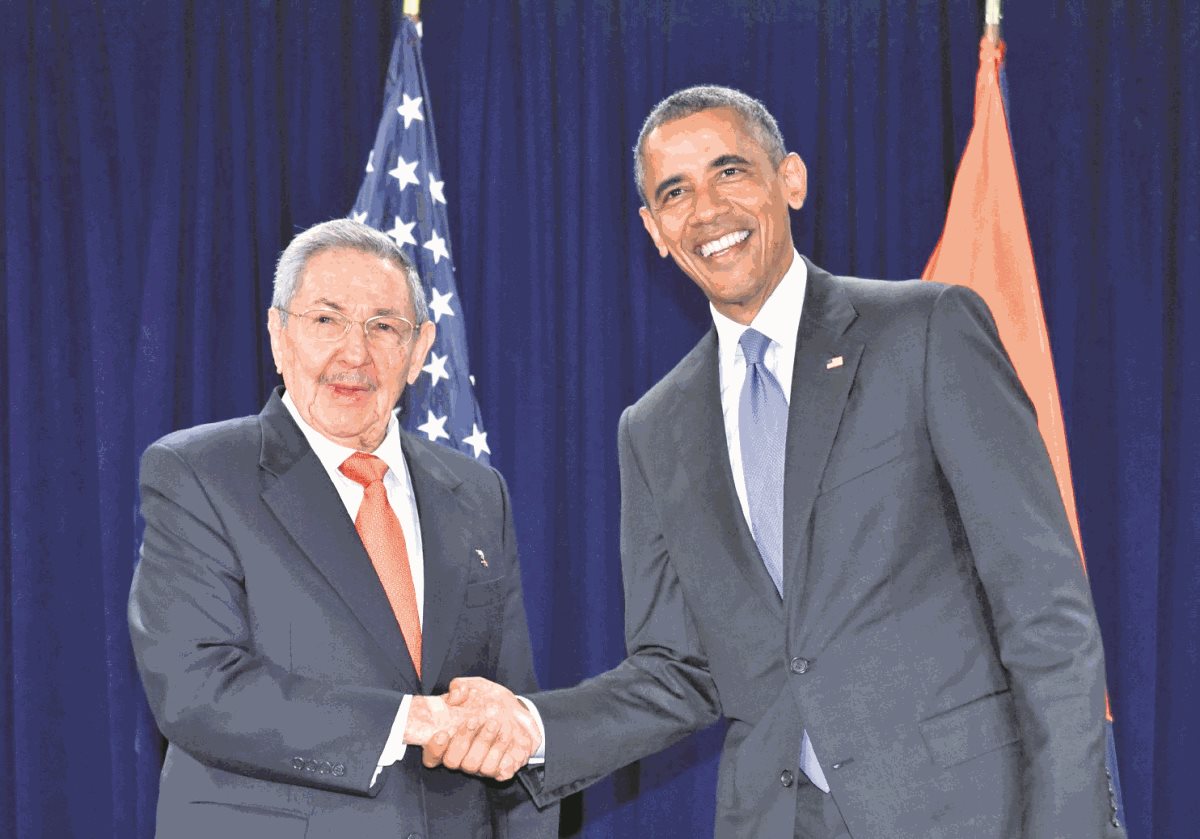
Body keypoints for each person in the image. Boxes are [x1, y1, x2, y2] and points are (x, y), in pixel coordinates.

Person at [421, 86, 1124, 838]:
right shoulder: (652, 428)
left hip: (968, 812)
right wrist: (532, 724)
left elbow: (1045, 608)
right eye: (675, 192)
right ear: (654, 229)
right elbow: (678, 670)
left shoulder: (924, 332)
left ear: (790, 179)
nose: (708, 210)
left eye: (730, 172)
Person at [128, 219, 555, 838]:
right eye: (326, 321)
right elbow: (197, 690)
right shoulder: (199, 474)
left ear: (420, 350)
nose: (354, 353)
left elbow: (508, 715)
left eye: (383, 326)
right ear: (278, 334)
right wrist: (407, 721)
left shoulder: (477, 493)